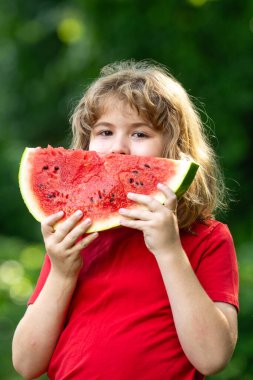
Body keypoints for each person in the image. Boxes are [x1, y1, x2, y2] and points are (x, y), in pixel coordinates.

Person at [12, 60, 239, 380]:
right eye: (105, 131)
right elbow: (25, 362)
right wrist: (62, 273)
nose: (117, 148)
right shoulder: (76, 237)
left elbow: (212, 357)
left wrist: (170, 252)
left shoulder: (208, 238)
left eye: (140, 133)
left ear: (174, 149)